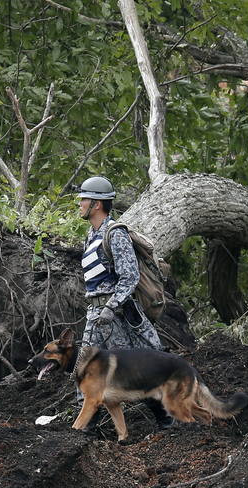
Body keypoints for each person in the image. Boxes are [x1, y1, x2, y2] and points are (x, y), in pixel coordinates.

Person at [76, 176, 172, 428]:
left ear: (97, 204)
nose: (80, 204)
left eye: (83, 199)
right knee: (85, 370)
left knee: (131, 371)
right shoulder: (90, 236)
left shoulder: (114, 234)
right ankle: (86, 430)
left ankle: (166, 419)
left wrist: (111, 307)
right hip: (95, 315)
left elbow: (129, 277)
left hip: (116, 316)